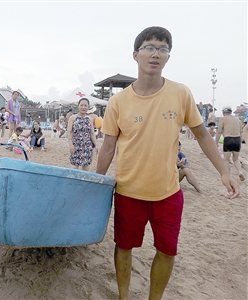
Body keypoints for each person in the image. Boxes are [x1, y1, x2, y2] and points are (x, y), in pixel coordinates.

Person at [95, 27, 239, 300]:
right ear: (136, 55)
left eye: (163, 49)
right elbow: (108, 148)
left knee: (167, 250)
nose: (156, 54)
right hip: (128, 192)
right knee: (124, 247)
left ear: (168, 57)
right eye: (150, 47)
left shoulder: (180, 93)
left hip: (168, 193)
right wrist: (94, 184)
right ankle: (123, 296)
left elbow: (202, 136)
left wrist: (224, 171)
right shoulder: (118, 101)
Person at [68, 98, 98, 171]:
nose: (83, 107)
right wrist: (70, 144)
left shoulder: (89, 119)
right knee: (74, 168)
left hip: (87, 146)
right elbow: (69, 132)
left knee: (86, 168)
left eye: (85, 105)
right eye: (81, 105)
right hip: (76, 145)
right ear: (78, 106)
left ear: (88, 107)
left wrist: (96, 145)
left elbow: (92, 133)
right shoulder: (73, 118)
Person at [215, 106, 245, 181]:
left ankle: (228, 175)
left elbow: (219, 131)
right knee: (236, 159)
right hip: (237, 139)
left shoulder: (223, 119)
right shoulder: (237, 119)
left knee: (226, 159)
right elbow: (241, 131)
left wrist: (216, 142)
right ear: (231, 112)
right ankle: (240, 172)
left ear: (223, 112)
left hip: (228, 139)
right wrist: (240, 142)